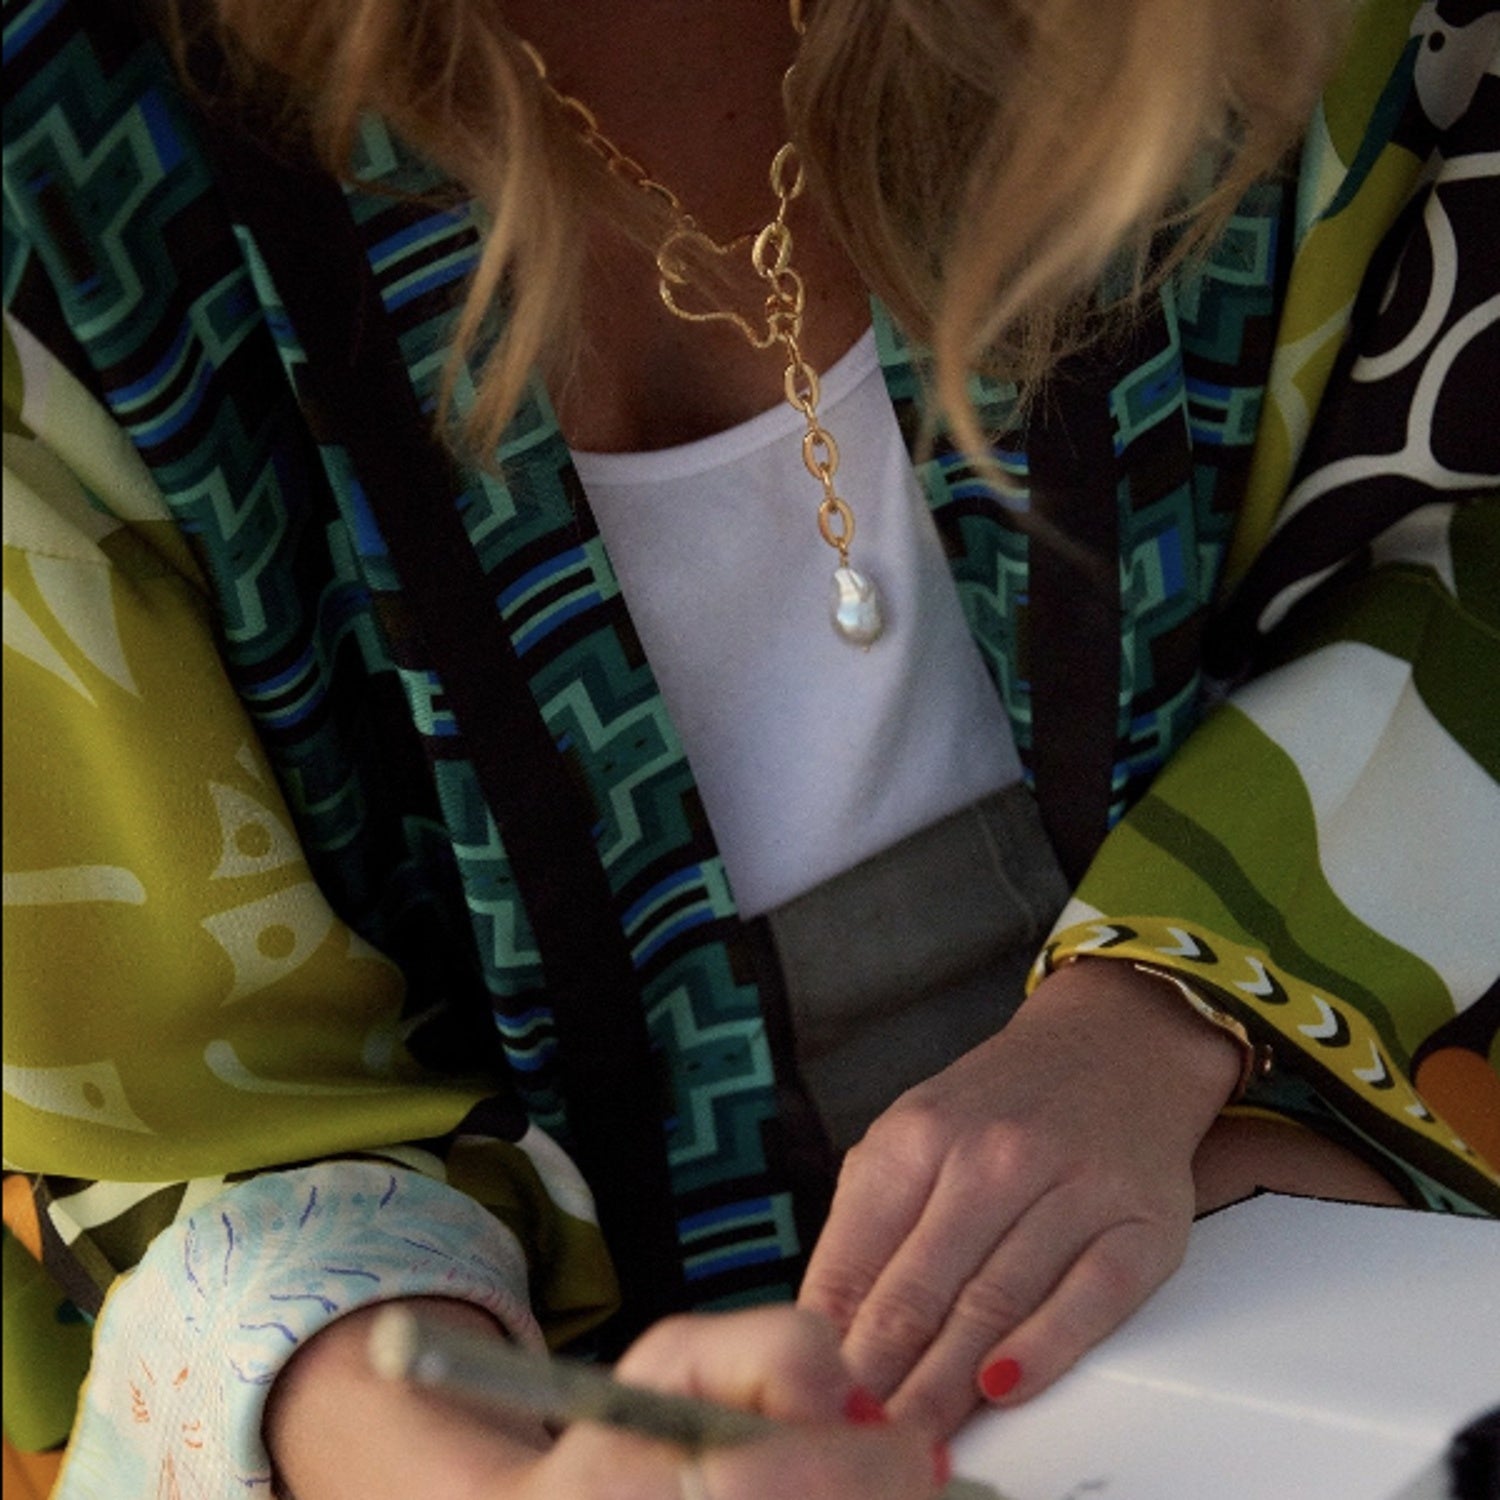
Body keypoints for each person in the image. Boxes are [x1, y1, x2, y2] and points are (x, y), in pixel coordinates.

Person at [3, 0, 1497, 1496]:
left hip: (1322, 1273)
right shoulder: (45, 164)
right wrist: (475, 1478)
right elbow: (171, 1139)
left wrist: (1161, 1027)